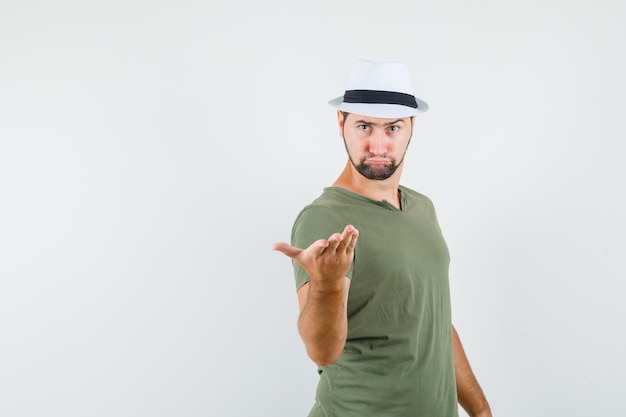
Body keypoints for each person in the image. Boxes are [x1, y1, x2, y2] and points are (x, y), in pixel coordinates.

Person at [272, 59, 492, 417]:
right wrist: (327, 285)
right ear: (341, 123)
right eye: (364, 126)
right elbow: (322, 351)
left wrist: (480, 410)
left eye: (392, 128)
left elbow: (432, 321)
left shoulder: (422, 207)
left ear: (411, 128)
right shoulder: (324, 218)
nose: (377, 144)